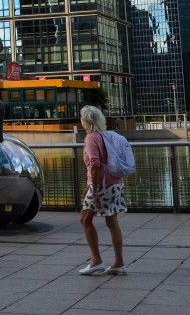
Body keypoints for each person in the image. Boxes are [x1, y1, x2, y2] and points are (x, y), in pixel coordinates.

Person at [78, 104, 126, 276]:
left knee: (85, 219)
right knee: (112, 222)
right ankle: (119, 262)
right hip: (115, 183)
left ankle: (96, 260)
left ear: (85, 121)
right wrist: (89, 186)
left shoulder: (91, 138)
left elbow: (95, 165)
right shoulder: (108, 135)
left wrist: (95, 190)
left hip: (103, 186)